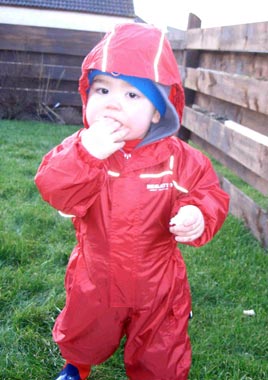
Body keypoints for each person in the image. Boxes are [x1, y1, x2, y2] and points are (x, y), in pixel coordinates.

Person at [35, 22, 229, 380]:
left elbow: (209, 193)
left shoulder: (181, 159)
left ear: (158, 111)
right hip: (96, 272)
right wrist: (85, 155)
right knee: (86, 328)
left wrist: (197, 214)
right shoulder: (80, 148)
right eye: (103, 89)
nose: (112, 103)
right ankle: (77, 365)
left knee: (161, 347)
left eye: (132, 95)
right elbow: (53, 188)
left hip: (157, 281)